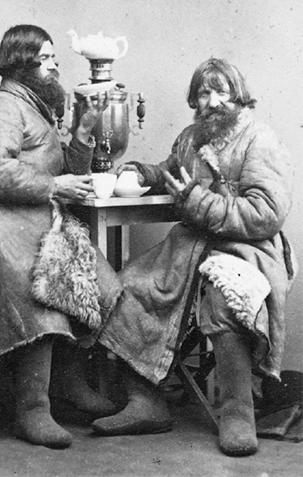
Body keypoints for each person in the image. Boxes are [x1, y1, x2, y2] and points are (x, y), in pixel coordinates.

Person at [91, 58, 297, 457]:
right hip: (189, 247)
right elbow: (171, 171)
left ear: (238, 96)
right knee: (130, 285)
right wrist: (143, 173)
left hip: (246, 249)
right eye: (204, 92)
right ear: (194, 99)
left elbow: (265, 214)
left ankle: (238, 412)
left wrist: (200, 201)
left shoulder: (260, 139)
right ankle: (146, 401)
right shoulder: (191, 137)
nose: (213, 101)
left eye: (222, 91)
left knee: (225, 297)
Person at [0, 24, 122, 449]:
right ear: (19, 63)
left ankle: (68, 384)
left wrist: (81, 136)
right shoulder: (1, 108)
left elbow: (67, 173)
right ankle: (31, 409)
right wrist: (52, 188)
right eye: (45, 58)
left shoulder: (33, 107)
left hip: (32, 216)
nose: (55, 65)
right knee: (36, 285)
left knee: (96, 280)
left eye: (53, 57)